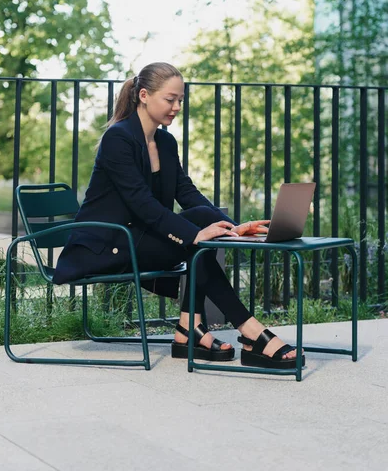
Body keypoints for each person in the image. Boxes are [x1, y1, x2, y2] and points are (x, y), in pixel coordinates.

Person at [54, 62, 304, 369]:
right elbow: (141, 203)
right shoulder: (118, 139)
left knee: (199, 218)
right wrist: (195, 234)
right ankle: (247, 331)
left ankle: (191, 330)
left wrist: (233, 227)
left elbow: (185, 192)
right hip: (105, 243)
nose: (176, 107)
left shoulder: (165, 141)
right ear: (143, 95)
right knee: (196, 243)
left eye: (180, 100)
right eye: (170, 99)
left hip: (140, 237)